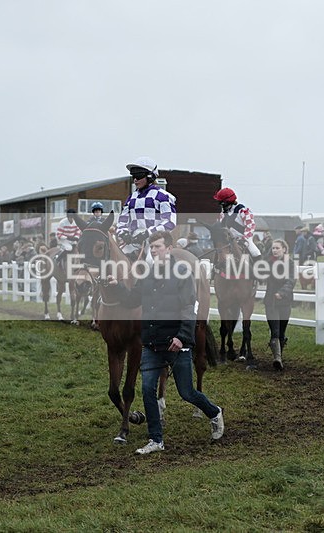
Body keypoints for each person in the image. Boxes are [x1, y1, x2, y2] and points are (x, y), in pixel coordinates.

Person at [106, 231, 224, 455]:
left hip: (177, 343)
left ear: (169, 249)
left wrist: (182, 337)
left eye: (158, 247)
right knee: (147, 390)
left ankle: (214, 412)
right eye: (151, 248)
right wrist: (117, 286)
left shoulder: (183, 274)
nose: (153, 251)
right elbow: (133, 300)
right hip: (152, 344)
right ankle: (156, 440)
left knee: (187, 393)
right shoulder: (148, 276)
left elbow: (189, 308)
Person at [116, 157, 177, 260]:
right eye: (134, 176)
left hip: (155, 241)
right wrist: (124, 233)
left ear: (150, 176)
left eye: (139, 176)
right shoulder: (131, 198)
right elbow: (121, 222)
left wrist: (147, 233)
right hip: (133, 241)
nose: (135, 180)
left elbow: (169, 222)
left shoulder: (163, 196)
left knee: (150, 261)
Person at [263, 239, 295, 370]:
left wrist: (282, 293)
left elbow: (291, 280)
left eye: (277, 248)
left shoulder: (291, 264)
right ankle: (277, 358)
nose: (274, 250)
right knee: (275, 331)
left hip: (285, 301)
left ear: (284, 249)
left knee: (282, 331)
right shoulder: (267, 263)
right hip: (271, 302)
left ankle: (279, 355)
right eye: (273, 248)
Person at [214, 187, 261, 259]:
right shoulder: (223, 214)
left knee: (255, 252)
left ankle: (260, 268)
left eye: (221, 203)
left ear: (227, 202)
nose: (221, 205)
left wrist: (245, 238)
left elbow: (250, 225)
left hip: (244, 240)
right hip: (229, 241)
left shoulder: (242, 210)